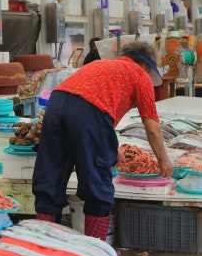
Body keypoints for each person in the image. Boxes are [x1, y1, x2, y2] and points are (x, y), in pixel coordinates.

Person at [33, 41, 173, 242]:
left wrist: (109, 143)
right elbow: (152, 127)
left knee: (50, 176)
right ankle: (96, 247)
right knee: (97, 183)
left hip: (56, 105)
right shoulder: (139, 74)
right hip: (87, 112)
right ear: (145, 64)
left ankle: (42, 244)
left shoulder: (102, 65)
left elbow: (94, 102)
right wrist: (163, 159)